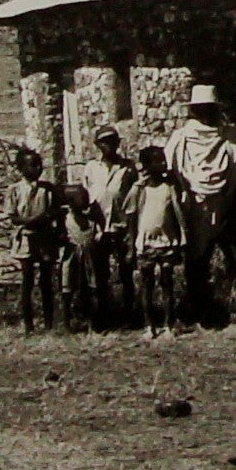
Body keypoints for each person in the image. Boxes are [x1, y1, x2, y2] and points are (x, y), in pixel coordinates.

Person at [164, 84, 236, 325]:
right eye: (201, 109)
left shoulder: (233, 139)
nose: (205, 114)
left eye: (207, 109)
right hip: (196, 211)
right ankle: (203, 314)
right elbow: (170, 175)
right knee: (198, 263)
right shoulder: (181, 139)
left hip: (227, 208)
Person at [118, 145, 189, 338]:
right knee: (146, 284)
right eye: (158, 161)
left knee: (167, 282)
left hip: (166, 243)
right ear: (147, 165)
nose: (163, 164)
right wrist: (132, 245)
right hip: (146, 244)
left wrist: (181, 240)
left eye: (164, 160)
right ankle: (149, 326)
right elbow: (131, 218)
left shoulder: (170, 188)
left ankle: (169, 325)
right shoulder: (139, 190)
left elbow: (177, 214)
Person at [81, 124, 138, 327]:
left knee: (126, 271)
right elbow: (87, 196)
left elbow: (134, 197)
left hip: (121, 226)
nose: (109, 146)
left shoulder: (128, 167)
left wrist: (132, 229)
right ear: (98, 145)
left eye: (113, 141)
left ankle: (130, 314)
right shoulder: (91, 168)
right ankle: (104, 316)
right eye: (105, 142)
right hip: (99, 227)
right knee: (100, 273)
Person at [2, 147, 59, 334]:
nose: (37, 169)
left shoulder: (48, 190)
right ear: (21, 168)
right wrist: (31, 221)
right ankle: (29, 325)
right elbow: (13, 217)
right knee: (27, 279)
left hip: (44, 238)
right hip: (25, 237)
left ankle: (49, 322)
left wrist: (46, 220)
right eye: (32, 165)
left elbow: (54, 211)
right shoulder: (14, 190)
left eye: (39, 165)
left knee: (46, 280)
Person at [59, 184, 99, 331]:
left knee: (91, 288)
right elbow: (61, 237)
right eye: (82, 198)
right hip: (71, 256)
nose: (86, 200)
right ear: (71, 202)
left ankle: (93, 323)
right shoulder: (66, 219)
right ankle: (66, 323)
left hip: (89, 257)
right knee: (67, 288)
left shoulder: (92, 219)